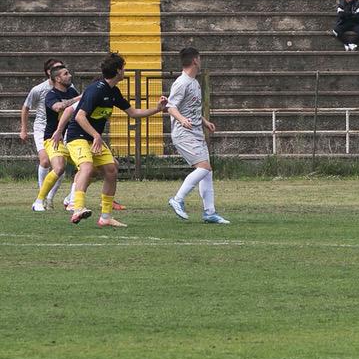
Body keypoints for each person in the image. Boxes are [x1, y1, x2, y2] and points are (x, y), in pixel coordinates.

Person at [56, 51, 168, 228]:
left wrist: (157, 109)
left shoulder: (113, 91)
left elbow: (134, 113)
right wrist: (96, 135)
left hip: (93, 139)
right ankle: (77, 207)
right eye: (123, 68)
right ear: (117, 71)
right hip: (77, 137)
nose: (125, 71)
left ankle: (106, 217)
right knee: (86, 166)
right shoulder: (96, 90)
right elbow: (79, 117)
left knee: (111, 169)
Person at [164, 47, 229, 224]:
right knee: (204, 168)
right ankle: (177, 199)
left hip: (196, 132)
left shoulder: (194, 82)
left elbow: (190, 108)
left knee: (207, 172)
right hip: (183, 133)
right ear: (195, 60)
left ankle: (210, 212)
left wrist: (203, 121)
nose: (200, 61)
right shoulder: (182, 82)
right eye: (199, 58)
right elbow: (171, 107)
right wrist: (182, 120)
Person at [31, 63, 79, 211]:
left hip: (70, 137)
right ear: (58, 78)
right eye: (66, 74)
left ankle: (70, 200)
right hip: (53, 138)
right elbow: (58, 107)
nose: (69, 75)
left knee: (89, 168)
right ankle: (39, 201)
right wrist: (80, 98)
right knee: (59, 167)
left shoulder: (72, 91)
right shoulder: (51, 94)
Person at [21, 58, 65, 208]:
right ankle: (42, 196)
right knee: (45, 161)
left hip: (59, 129)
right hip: (42, 129)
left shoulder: (68, 87)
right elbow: (26, 108)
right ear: (49, 72)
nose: (63, 70)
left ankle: (50, 198)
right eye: (58, 68)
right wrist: (23, 129)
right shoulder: (38, 89)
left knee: (60, 165)